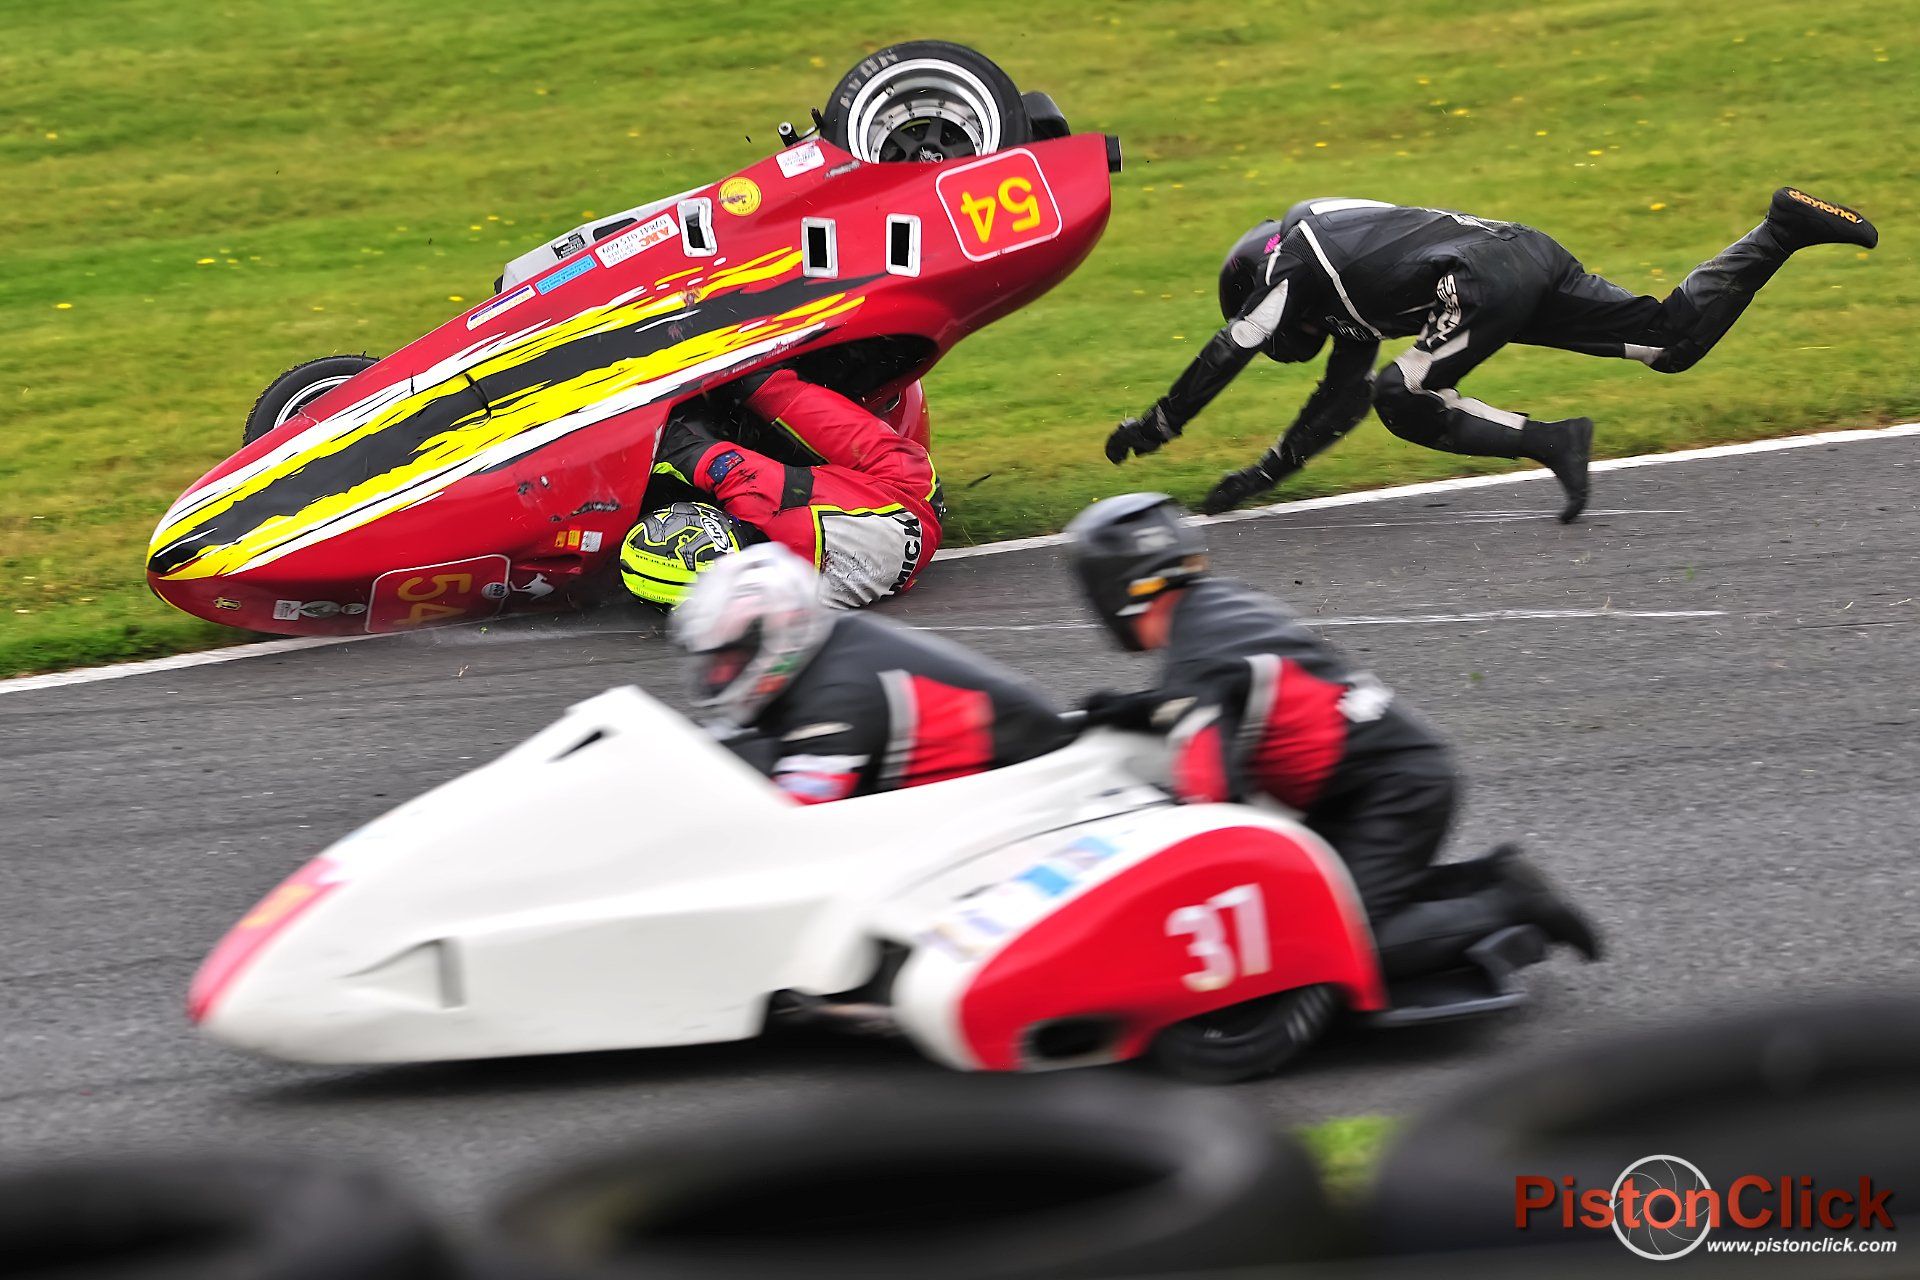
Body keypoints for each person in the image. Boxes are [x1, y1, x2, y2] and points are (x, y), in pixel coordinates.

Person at [1064, 491, 1600, 979]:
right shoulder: (1219, 607)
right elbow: (1223, 692)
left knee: (1339, 944)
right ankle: (1492, 877)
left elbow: (1211, 799)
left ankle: (1513, 903)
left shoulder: (1196, 659)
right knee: (1318, 903)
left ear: (1111, 590)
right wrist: (1131, 710)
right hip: (1382, 776)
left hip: (1387, 792)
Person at [1104, 187, 1879, 523]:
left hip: (1476, 280)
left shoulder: (1293, 261)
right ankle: (1781, 229)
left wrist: (1158, 423)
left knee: (1402, 397)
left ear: (1254, 274)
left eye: (1276, 326)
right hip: (1527, 256)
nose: (1286, 341)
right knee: (1670, 342)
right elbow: (1340, 395)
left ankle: (1552, 441)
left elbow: (1234, 342)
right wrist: (1266, 473)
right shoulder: (1344, 285)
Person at [670, 542, 1072, 804]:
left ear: (773, 636)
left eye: (728, 659)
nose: (719, 676)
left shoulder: (838, 696)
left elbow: (794, 825)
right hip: (945, 800)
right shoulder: (830, 645)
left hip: (1015, 799)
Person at [631, 367, 945, 609]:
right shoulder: (763, 506)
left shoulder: (762, 596)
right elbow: (701, 458)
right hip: (908, 482)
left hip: (891, 535)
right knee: (757, 383)